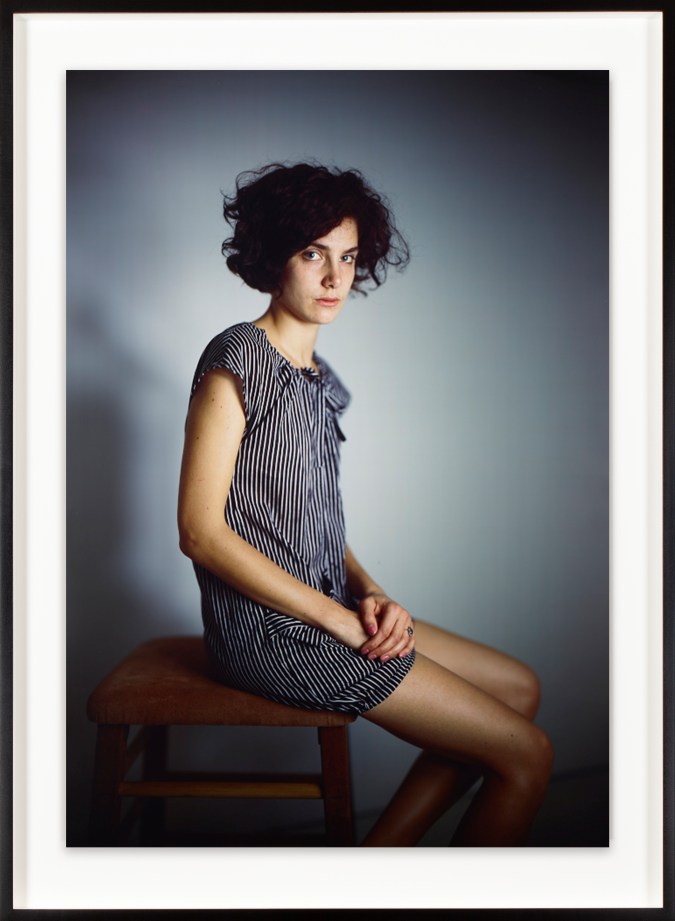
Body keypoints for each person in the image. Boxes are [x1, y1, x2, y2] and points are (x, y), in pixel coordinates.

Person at [177, 162, 553, 846]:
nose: (333, 278)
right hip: (268, 633)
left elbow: (317, 522)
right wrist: (339, 622)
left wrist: (373, 594)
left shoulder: (323, 382)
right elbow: (201, 533)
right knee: (528, 755)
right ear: (272, 256)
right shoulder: (236, 355)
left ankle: (376, 870)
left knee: (519, 687)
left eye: (346, 257)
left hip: (325, 610)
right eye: (312, 253)